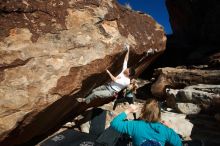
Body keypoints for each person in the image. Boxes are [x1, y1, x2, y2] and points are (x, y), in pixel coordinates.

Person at [110, 98, 182, 146]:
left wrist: (128, 110)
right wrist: (169, 128)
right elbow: (179, 143)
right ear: (159, 114)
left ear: (143, 111)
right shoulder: (165, 130)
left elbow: (114, 123)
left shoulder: (135, 125)